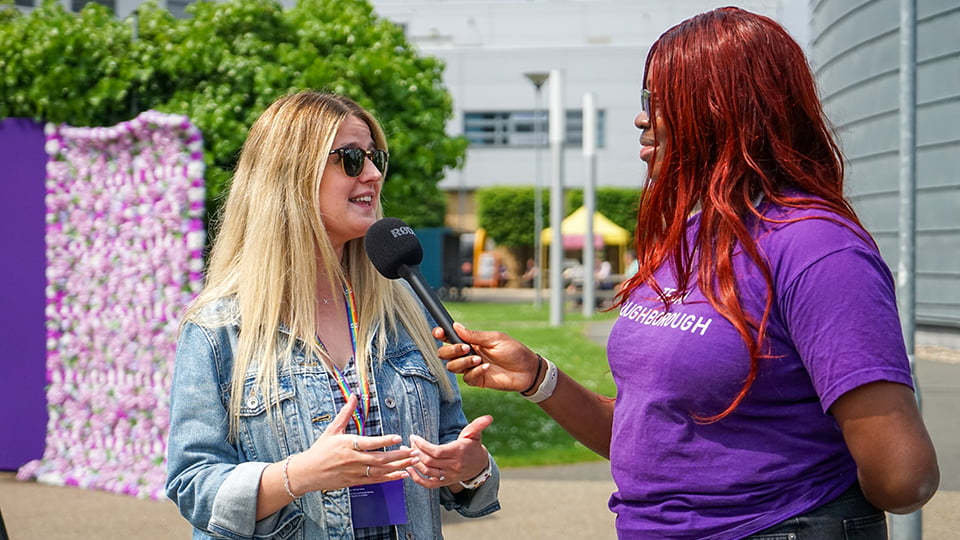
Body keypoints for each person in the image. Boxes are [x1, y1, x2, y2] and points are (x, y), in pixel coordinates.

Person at [435, 7, 938, 539]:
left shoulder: (817, 247)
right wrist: (539, 378)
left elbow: (902, 476)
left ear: (726, 110)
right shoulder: (692, 238)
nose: (641, 118)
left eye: (659, 100)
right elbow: (653, 441)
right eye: (643, 100)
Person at [166, 91, 500, 540]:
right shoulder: (218, 327)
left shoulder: (409, 307)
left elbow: (455, 451)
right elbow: (192, 485)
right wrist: (298, 475)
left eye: (375, 157)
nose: (375, 174)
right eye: (351, 159)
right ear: (291, 175)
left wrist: (469, 467)